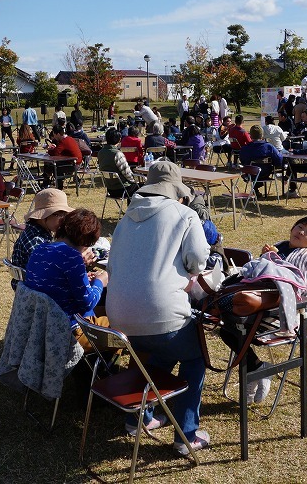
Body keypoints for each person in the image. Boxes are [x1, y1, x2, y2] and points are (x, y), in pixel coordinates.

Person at [107, 161, 212, 455]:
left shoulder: (125, 218)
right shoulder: (185, 214)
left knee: (157, 352)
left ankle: (139, 418)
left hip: (120, 318)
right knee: (195, 356)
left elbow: (113, 264)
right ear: (175, 190)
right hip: (161, 314)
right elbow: (198, 262)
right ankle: (186, 435)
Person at [223, 216, 307, 404]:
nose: (301, 232)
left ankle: (254, 371)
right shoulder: (281, 245)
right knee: (226, 327)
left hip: (279, 315)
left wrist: (273, 264)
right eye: (299, 226)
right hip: (259, 307)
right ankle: (256, 368)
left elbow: (303, 292)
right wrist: (264, 257)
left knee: (232, 327)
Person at [24, 208, 107, 329]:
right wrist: (100, 281)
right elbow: (88, 303)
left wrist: (83, 278)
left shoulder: (39, 249)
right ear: (86, 240)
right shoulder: (72, 257)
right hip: (71, 328)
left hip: (42, 324)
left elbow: (54, 282)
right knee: (123, 324)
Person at [11, 188, 74, 289]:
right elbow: (49, 272)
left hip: (29, 289)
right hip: (35, 292)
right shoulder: (36, 241)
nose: (64, 220)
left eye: (65, 215)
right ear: (44, 216)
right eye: (60, 214)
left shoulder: (37, 231)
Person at [97, 127, 139, 196]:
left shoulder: (101, 152)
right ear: (119, 139)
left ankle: (131, 206)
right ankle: (133, 206)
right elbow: (127, 173)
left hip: (110, 189)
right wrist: (134, 180)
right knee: (143, 187)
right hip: (122, 189)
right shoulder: (117, 154)